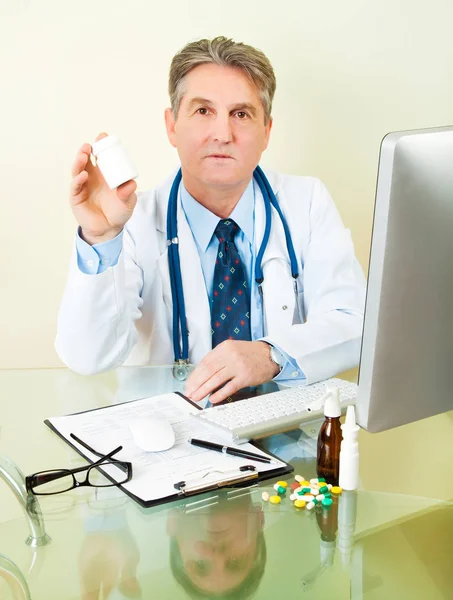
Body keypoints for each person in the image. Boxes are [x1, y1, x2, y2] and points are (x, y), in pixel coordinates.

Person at [56, 36, 366, 405]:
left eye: (241, 114)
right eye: (203, 111)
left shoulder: (306, 202)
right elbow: (87, 358)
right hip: (170, 441)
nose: (222, 134)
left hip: (283, 436)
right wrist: (100, 235)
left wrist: (271, 354)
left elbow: (354, 322)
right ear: (171, 126)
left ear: (266, 131)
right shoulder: (136, 219)